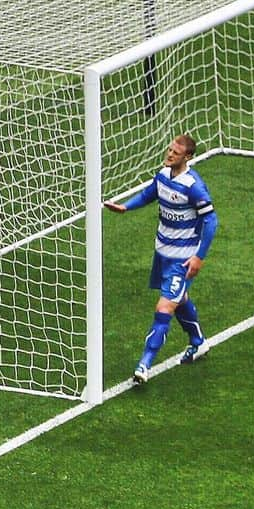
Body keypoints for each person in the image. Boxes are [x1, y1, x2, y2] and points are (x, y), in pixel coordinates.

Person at [104, 134, 218, 385]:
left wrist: (199, 257)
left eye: (175, 153)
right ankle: (198, 342)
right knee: (179, 299)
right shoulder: (163, 175)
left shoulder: (193, 186)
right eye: (169, 150)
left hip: (182, 260)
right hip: (162, 253)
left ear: (187, 157)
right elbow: (149, 194)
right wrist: (126, 207)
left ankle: (144, 364)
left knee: (164, 308)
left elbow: (211, 221)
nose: (169, 155)